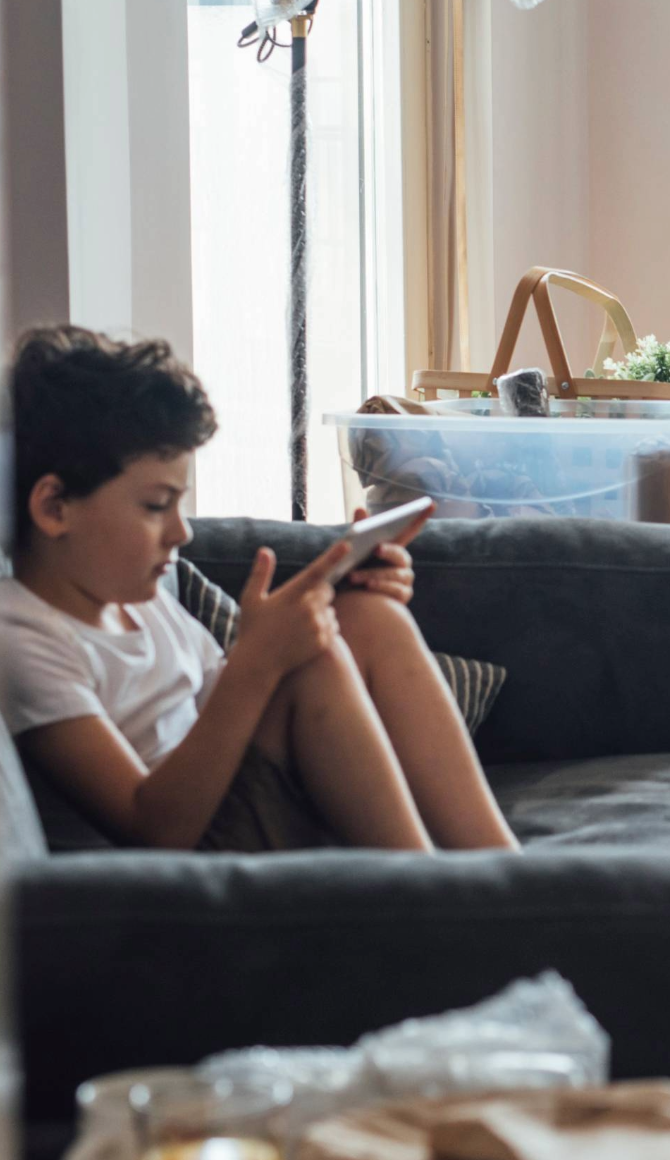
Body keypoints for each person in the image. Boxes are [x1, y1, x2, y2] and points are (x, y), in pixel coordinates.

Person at [1, 326, 519, 853]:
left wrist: (315, 607)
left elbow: (216, 702)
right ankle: (437, 899)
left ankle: (504, 869)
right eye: (157, 506)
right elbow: (153, 826)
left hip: (242, 788)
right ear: (54, 507)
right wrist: (259, 660)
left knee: (368, 616)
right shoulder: (22, 635)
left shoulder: (139, 596)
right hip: (195, 842)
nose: (183, 533)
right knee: (315, 664)